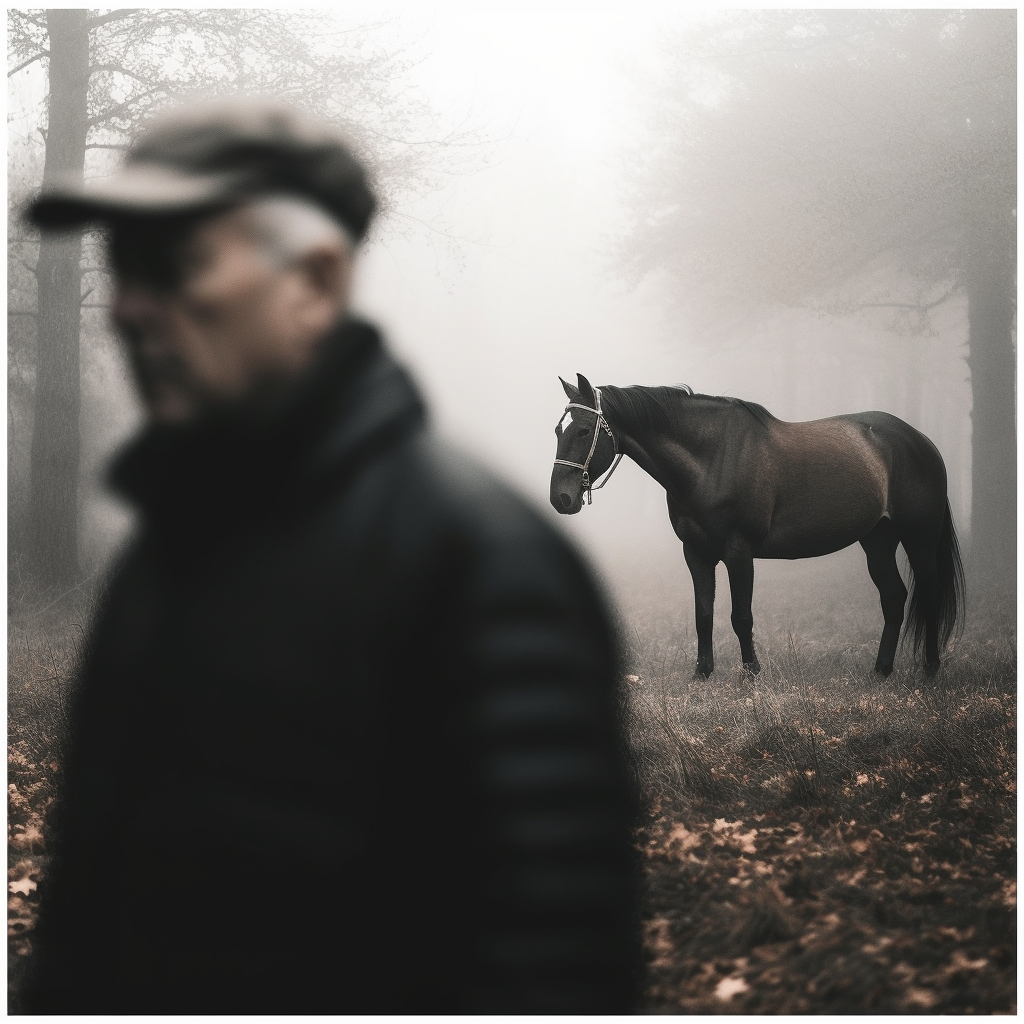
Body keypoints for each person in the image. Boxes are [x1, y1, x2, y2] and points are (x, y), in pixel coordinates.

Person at [24, 98, 640, 1014]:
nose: (126, 310)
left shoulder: (481, 566)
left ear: (313, 280)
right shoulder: (167, 545)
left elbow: (549, 969)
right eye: (121, 268)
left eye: (173, 266)